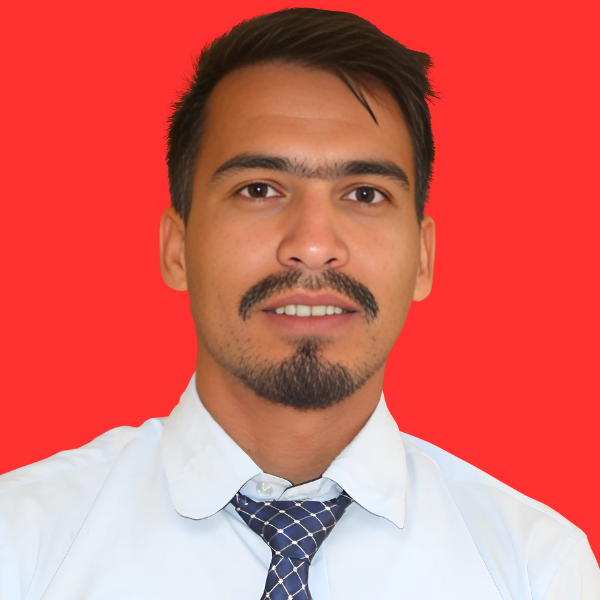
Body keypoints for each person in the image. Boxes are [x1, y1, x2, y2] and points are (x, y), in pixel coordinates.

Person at [0, 7, 598, 600]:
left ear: (423, 258)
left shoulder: (537, 571)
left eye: (365, 194)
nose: (312, 245)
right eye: (259, 189)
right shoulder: (20, 548)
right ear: (177, 248)